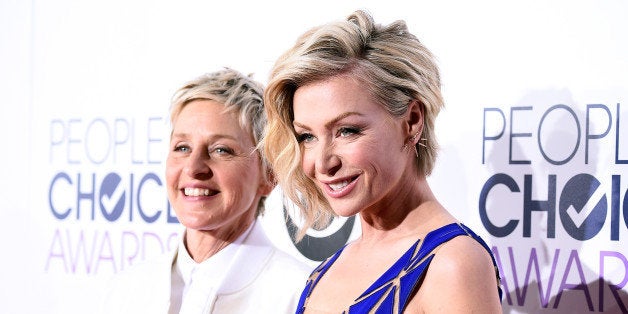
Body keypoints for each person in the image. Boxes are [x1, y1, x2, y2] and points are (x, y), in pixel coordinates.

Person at [262, 10, 503, 313]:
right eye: (307, 136)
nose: (322, 164)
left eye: (346, 131)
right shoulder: (324, 272)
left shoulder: (452, 264)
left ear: (412, 121)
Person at [101, 68, 312, 313]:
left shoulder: (299, 296)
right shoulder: (127, 288)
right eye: (182, 148)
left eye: (221, 150)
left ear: (269, 175)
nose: (193, 167)